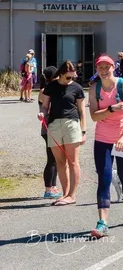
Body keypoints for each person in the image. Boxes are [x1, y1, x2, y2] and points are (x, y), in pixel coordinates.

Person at [88, 55, 123, 238]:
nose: (103, 70)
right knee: (104, 178)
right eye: (100, 66)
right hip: (102, 139)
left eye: (107, 66)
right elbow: (94, 116)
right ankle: (103, 223)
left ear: (113, 67)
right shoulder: (94, 89)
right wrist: (111, 109)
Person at [37, 61, 86, 206]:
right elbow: (45, 106)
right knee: (60, 162)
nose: (71, 80)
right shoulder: (51, 87)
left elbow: (82, 111)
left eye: (72, 77)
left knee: (73, 161)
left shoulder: (77, 88)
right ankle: (65, 194)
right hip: (54, 125)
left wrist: (83, 131)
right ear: (61, 74)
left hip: (72, 124)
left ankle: (72, 195)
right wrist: (42, 113)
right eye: (68, 77)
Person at [38, 66, 62, 199]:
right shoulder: (45, 91)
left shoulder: (50, 89)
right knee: (52, 159)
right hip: (48, 129)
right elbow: (49, 107)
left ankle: (53, 186)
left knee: (57, 159)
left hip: (54, 128)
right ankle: (48, 188)